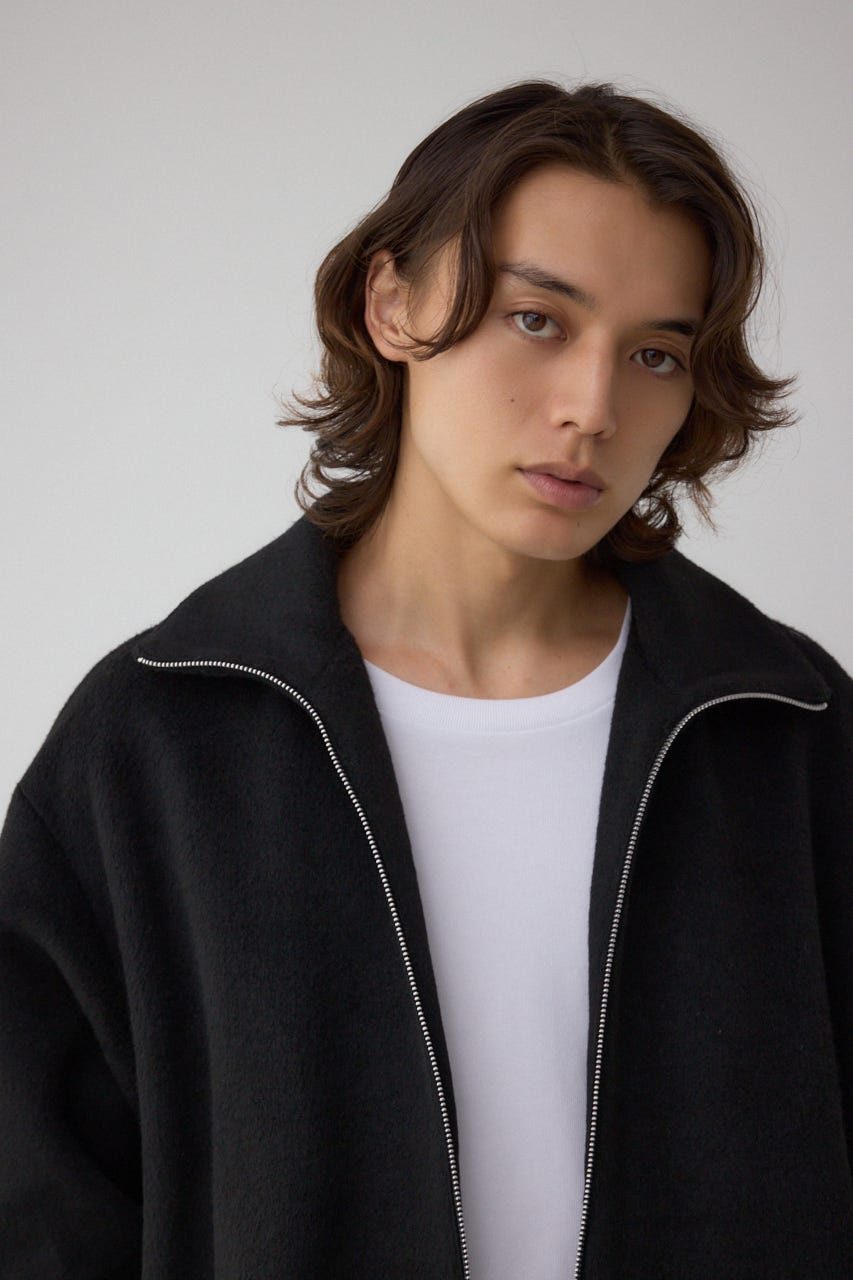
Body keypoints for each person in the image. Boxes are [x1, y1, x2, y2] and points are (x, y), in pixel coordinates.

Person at [1, 79, 851, 1280]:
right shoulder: (161, 735)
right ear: (391, 301)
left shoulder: (788, 727)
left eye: (656, 352)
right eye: (537, 318)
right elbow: (40, 1206)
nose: (592, 407)